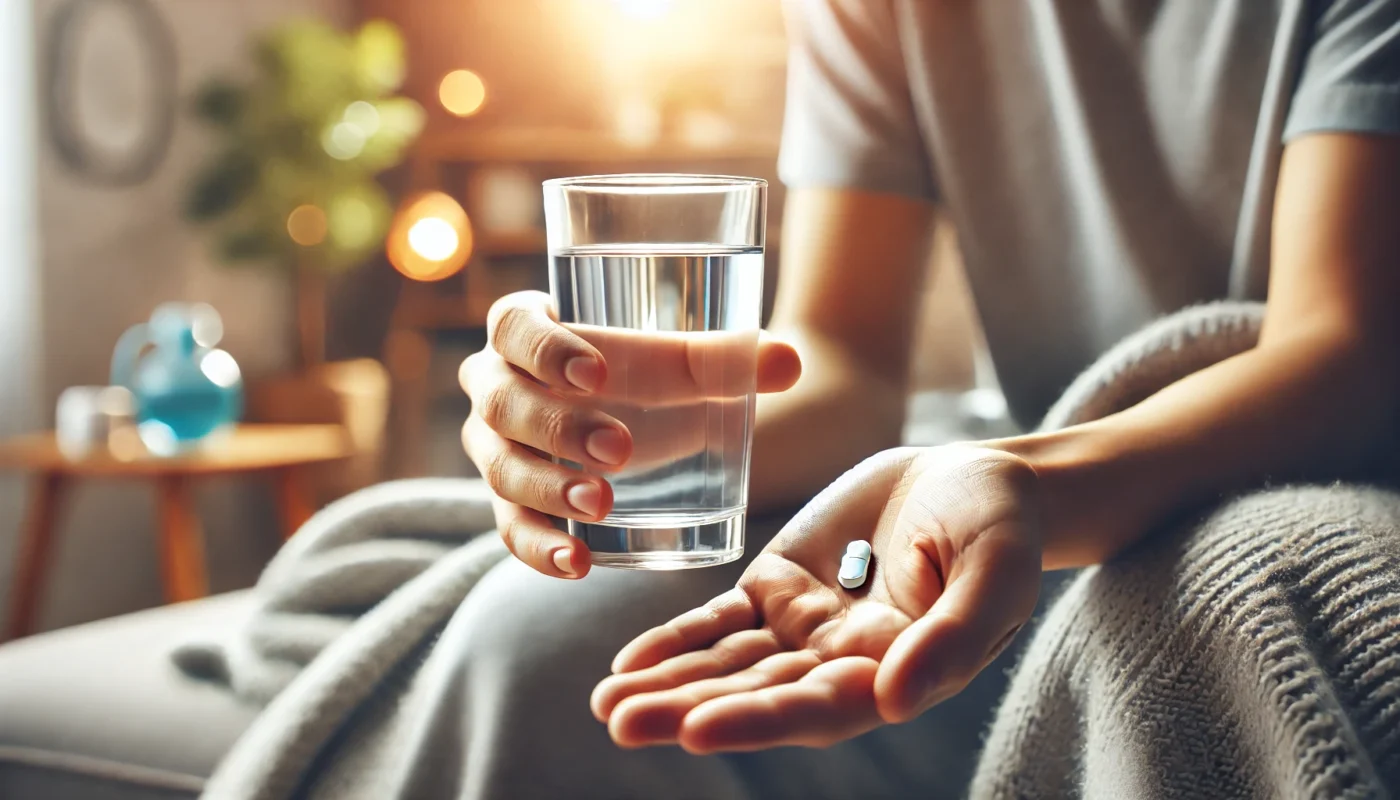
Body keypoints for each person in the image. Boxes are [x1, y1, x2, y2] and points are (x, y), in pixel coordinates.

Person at [455, 1, 1400, 796]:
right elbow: (843, 366)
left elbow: (1344, 355)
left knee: (1193, 643)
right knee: (539, 640)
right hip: (1005, 489)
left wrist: (1020, 484)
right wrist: (623, 447)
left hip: (1237, 467)